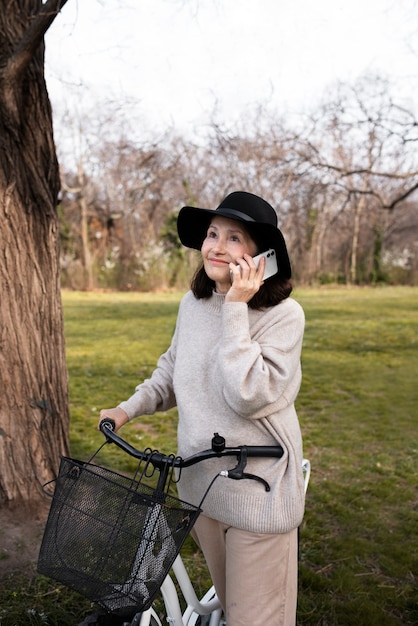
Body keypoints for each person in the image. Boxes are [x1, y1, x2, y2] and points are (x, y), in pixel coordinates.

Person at [99, 191, 306, 626]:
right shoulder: (193, 305)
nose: (215, 245)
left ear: (261, 257)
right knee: (234, 609)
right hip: (200, 488)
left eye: (234, 238)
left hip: (257, 493)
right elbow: (174, 370)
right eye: (213, 234)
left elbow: (249, 394)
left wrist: (235, 308)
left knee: (258, 620)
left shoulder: (284, 316)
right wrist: (127, 409)